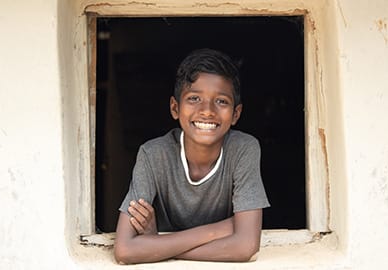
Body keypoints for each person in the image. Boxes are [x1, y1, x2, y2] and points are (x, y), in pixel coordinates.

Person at [113, 48, 270, 265]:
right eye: (194, 98)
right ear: (175, 108)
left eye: (222, 101)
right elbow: (125, 250)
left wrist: (156, 246)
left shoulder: (243, 149)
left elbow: (245, 247)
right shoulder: (153, 155)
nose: (207, 110)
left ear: (236, 114)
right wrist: (218, 230)